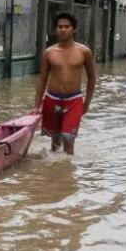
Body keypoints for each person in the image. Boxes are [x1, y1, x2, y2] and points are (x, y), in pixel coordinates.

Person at [33, 12, 96, 155]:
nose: (63, 29)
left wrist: (86, 103)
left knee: (68, 138)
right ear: (56, 29)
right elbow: (42, 79)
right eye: (60, 27)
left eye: (67, 26)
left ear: (74, 29)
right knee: (55, 141)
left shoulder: (84, 51)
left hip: (74, 100)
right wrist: (36, 105)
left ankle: (67, 172)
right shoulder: (49, 52)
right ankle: (56, 173)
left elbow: (92, 78)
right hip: (52, 100)